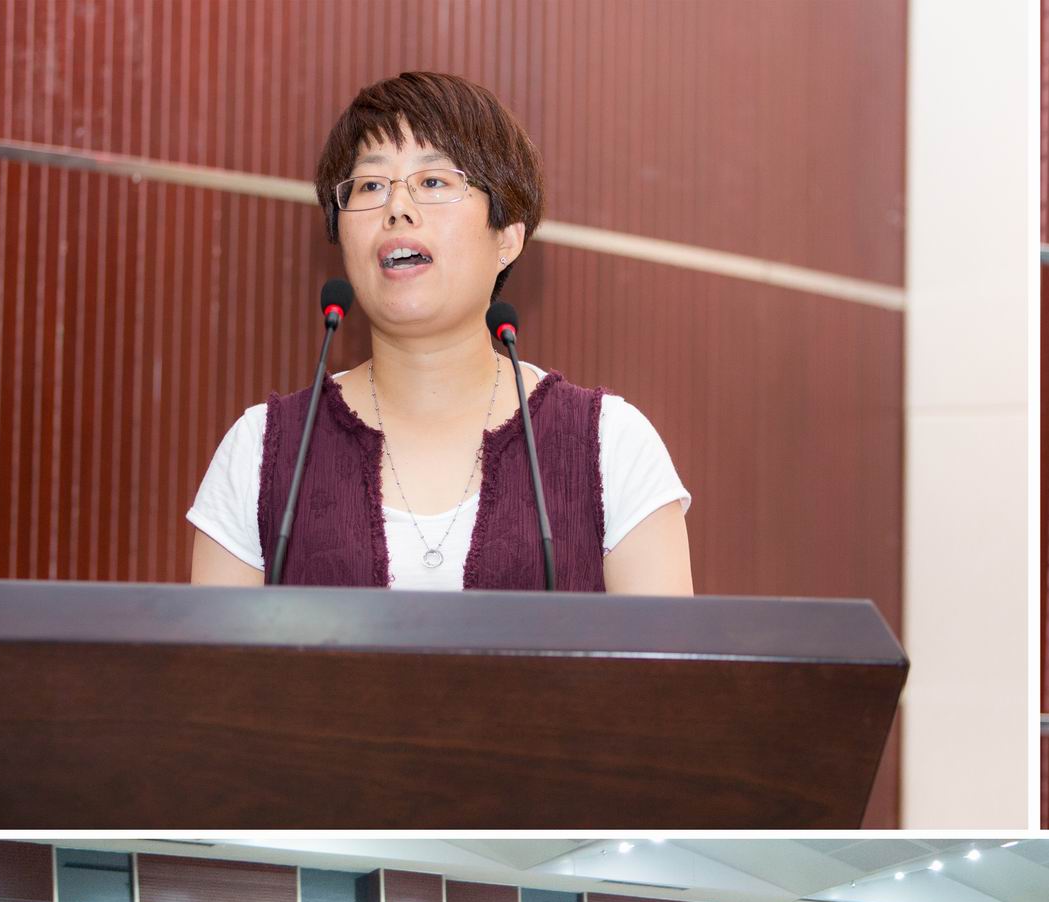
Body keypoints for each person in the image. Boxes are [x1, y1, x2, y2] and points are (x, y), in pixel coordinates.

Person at [189, 71, 691, 596]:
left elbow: (663, 652)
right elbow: (213, 653)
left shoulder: (611, 446)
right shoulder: (261, 453)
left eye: (433, 182)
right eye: (370, 185)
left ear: (508, 237)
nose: (397, 207)